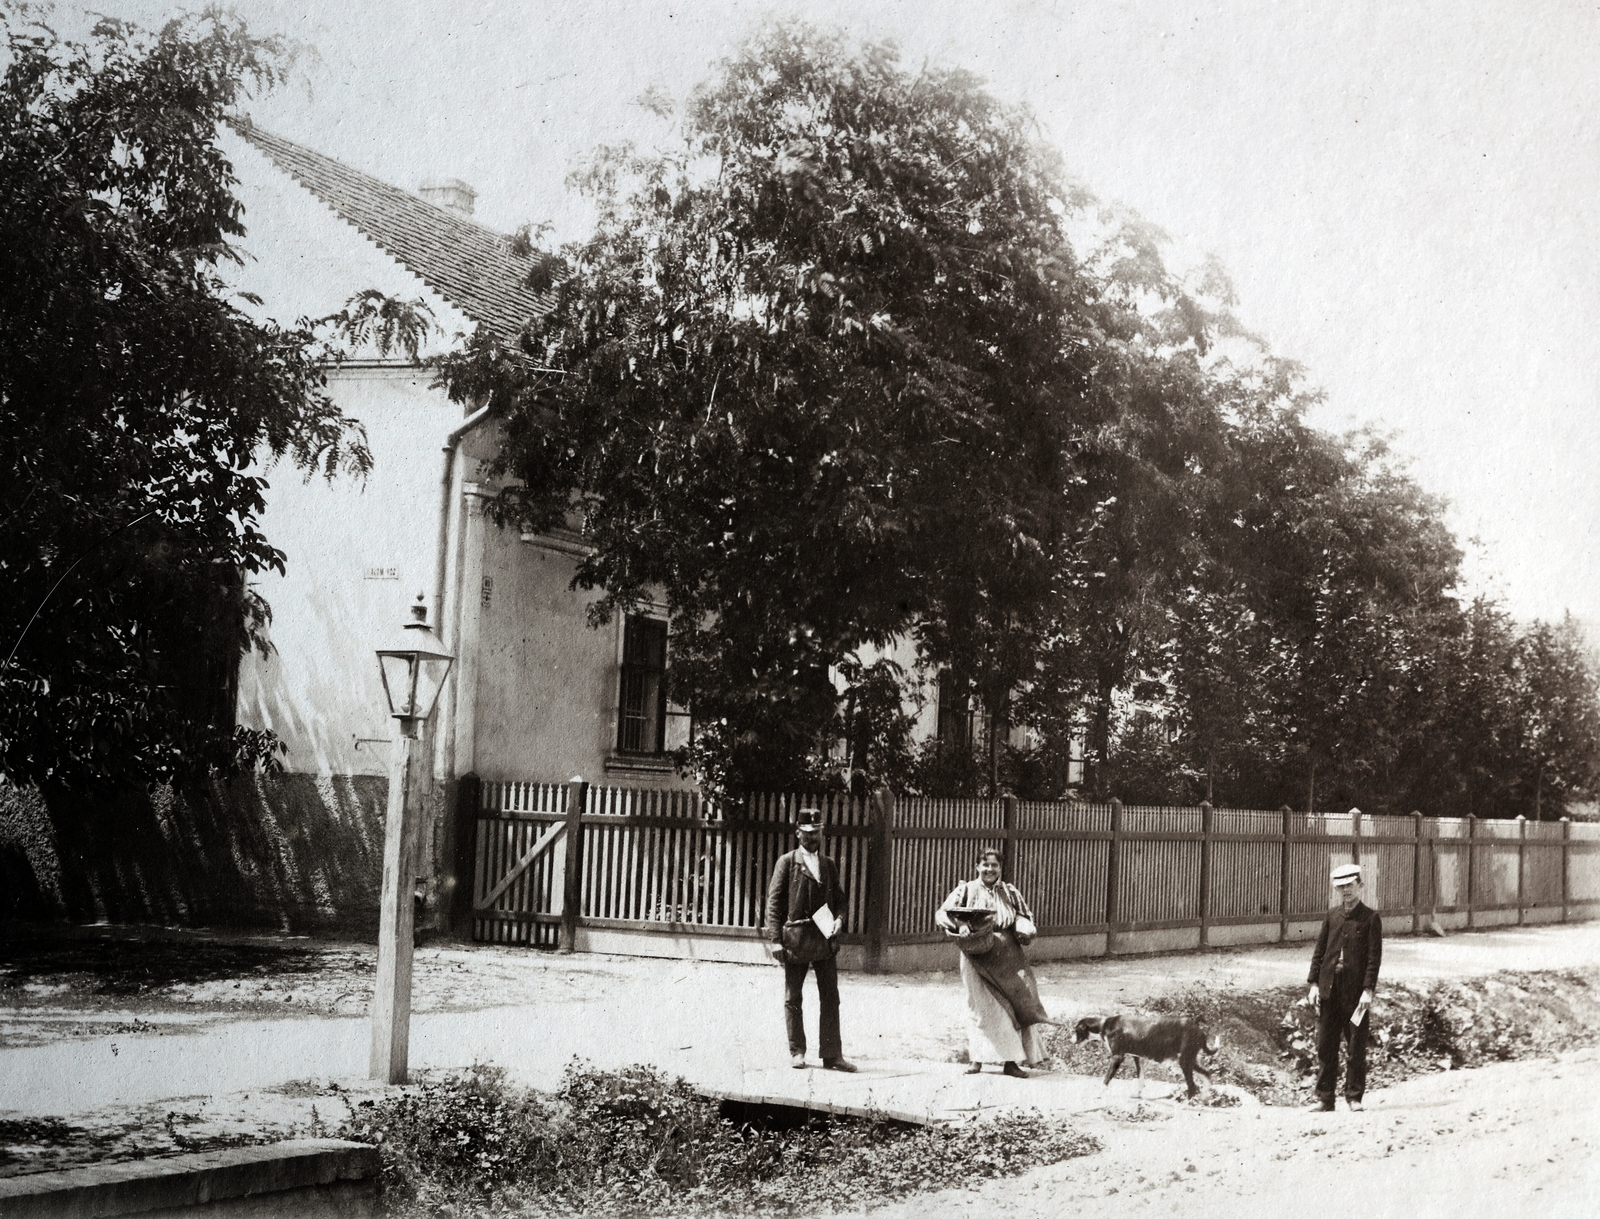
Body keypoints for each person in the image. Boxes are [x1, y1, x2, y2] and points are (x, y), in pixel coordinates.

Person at [935, 848, 1051, 1078]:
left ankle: (1011, 1062)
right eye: (985, 865)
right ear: (977, 867)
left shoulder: (1010, 892)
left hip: (1008, 954)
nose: (990, 869)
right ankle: (976, 1059)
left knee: (1013, 1006)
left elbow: (1025, 915)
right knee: (980, 1007)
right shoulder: (965, 890)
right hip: (976, 954)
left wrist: (1023, 926)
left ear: (1000, 868)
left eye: (994, 865)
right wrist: (961, 926)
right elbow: (942, 914)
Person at [764, 808, 857, 1072]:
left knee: (830, 996)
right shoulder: (787, 862)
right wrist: (775, 940)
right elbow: (774, 903)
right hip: (795, 939)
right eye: (807, 833)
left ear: (821, 832)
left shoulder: (828, 864)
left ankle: (832, 1055)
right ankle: (797, 1052)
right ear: (797, 833)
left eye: (816, 832)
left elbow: (840, 900)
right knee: (793, 996)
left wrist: (840, 919)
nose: (812, 837)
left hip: (825, 937)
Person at [1306, 862, 1383, 1112]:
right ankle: (1325, 1098)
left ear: (1360, 886)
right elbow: (1320, 952)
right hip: (1330, 991)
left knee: (1355, 1046)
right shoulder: (1331, 916)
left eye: (1350, 886)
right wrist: (1314, 983)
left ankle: (1354, 1097)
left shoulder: (1370, 918)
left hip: (1356, 995)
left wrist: (1368, 991)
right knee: (1325, 1046)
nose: (1346, 891)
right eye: (1341, 887)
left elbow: (1374, 958)